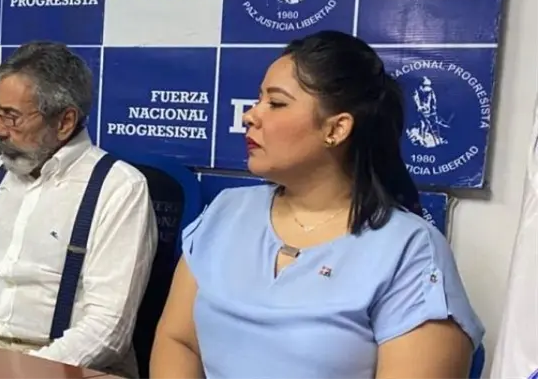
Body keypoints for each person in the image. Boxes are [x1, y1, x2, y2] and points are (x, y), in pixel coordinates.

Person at [150, 30, 483, 379]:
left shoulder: (410, 250)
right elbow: (179, 341)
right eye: (258, 99)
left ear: (336, 129)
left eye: (276, 103)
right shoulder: (226, 211)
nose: (250, 115)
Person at [0, 42, 157, 378]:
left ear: (65, 122)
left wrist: (26, 372)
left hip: (74, 364)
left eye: (12, 116)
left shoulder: (119, 189)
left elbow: (107, 330)